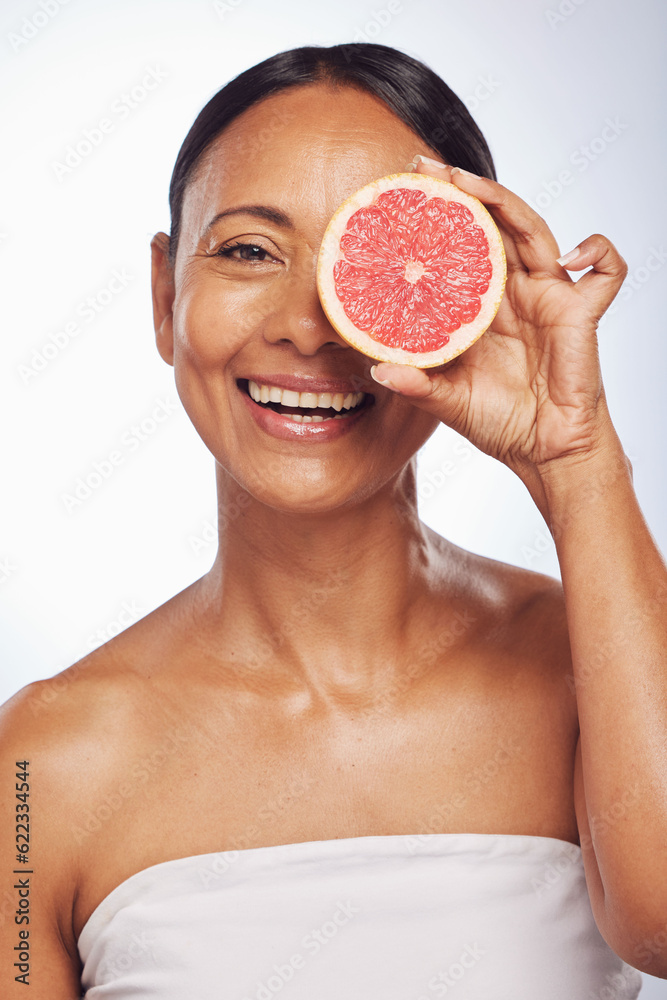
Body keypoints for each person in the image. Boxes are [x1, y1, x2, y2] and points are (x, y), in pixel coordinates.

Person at [1, 42, 666, 998]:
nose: (308, 328)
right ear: (163, 295)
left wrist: (578, 460)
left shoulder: (600, 665)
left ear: (468, 297)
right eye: (247, 251)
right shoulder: (34, 772)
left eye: (373, 264)